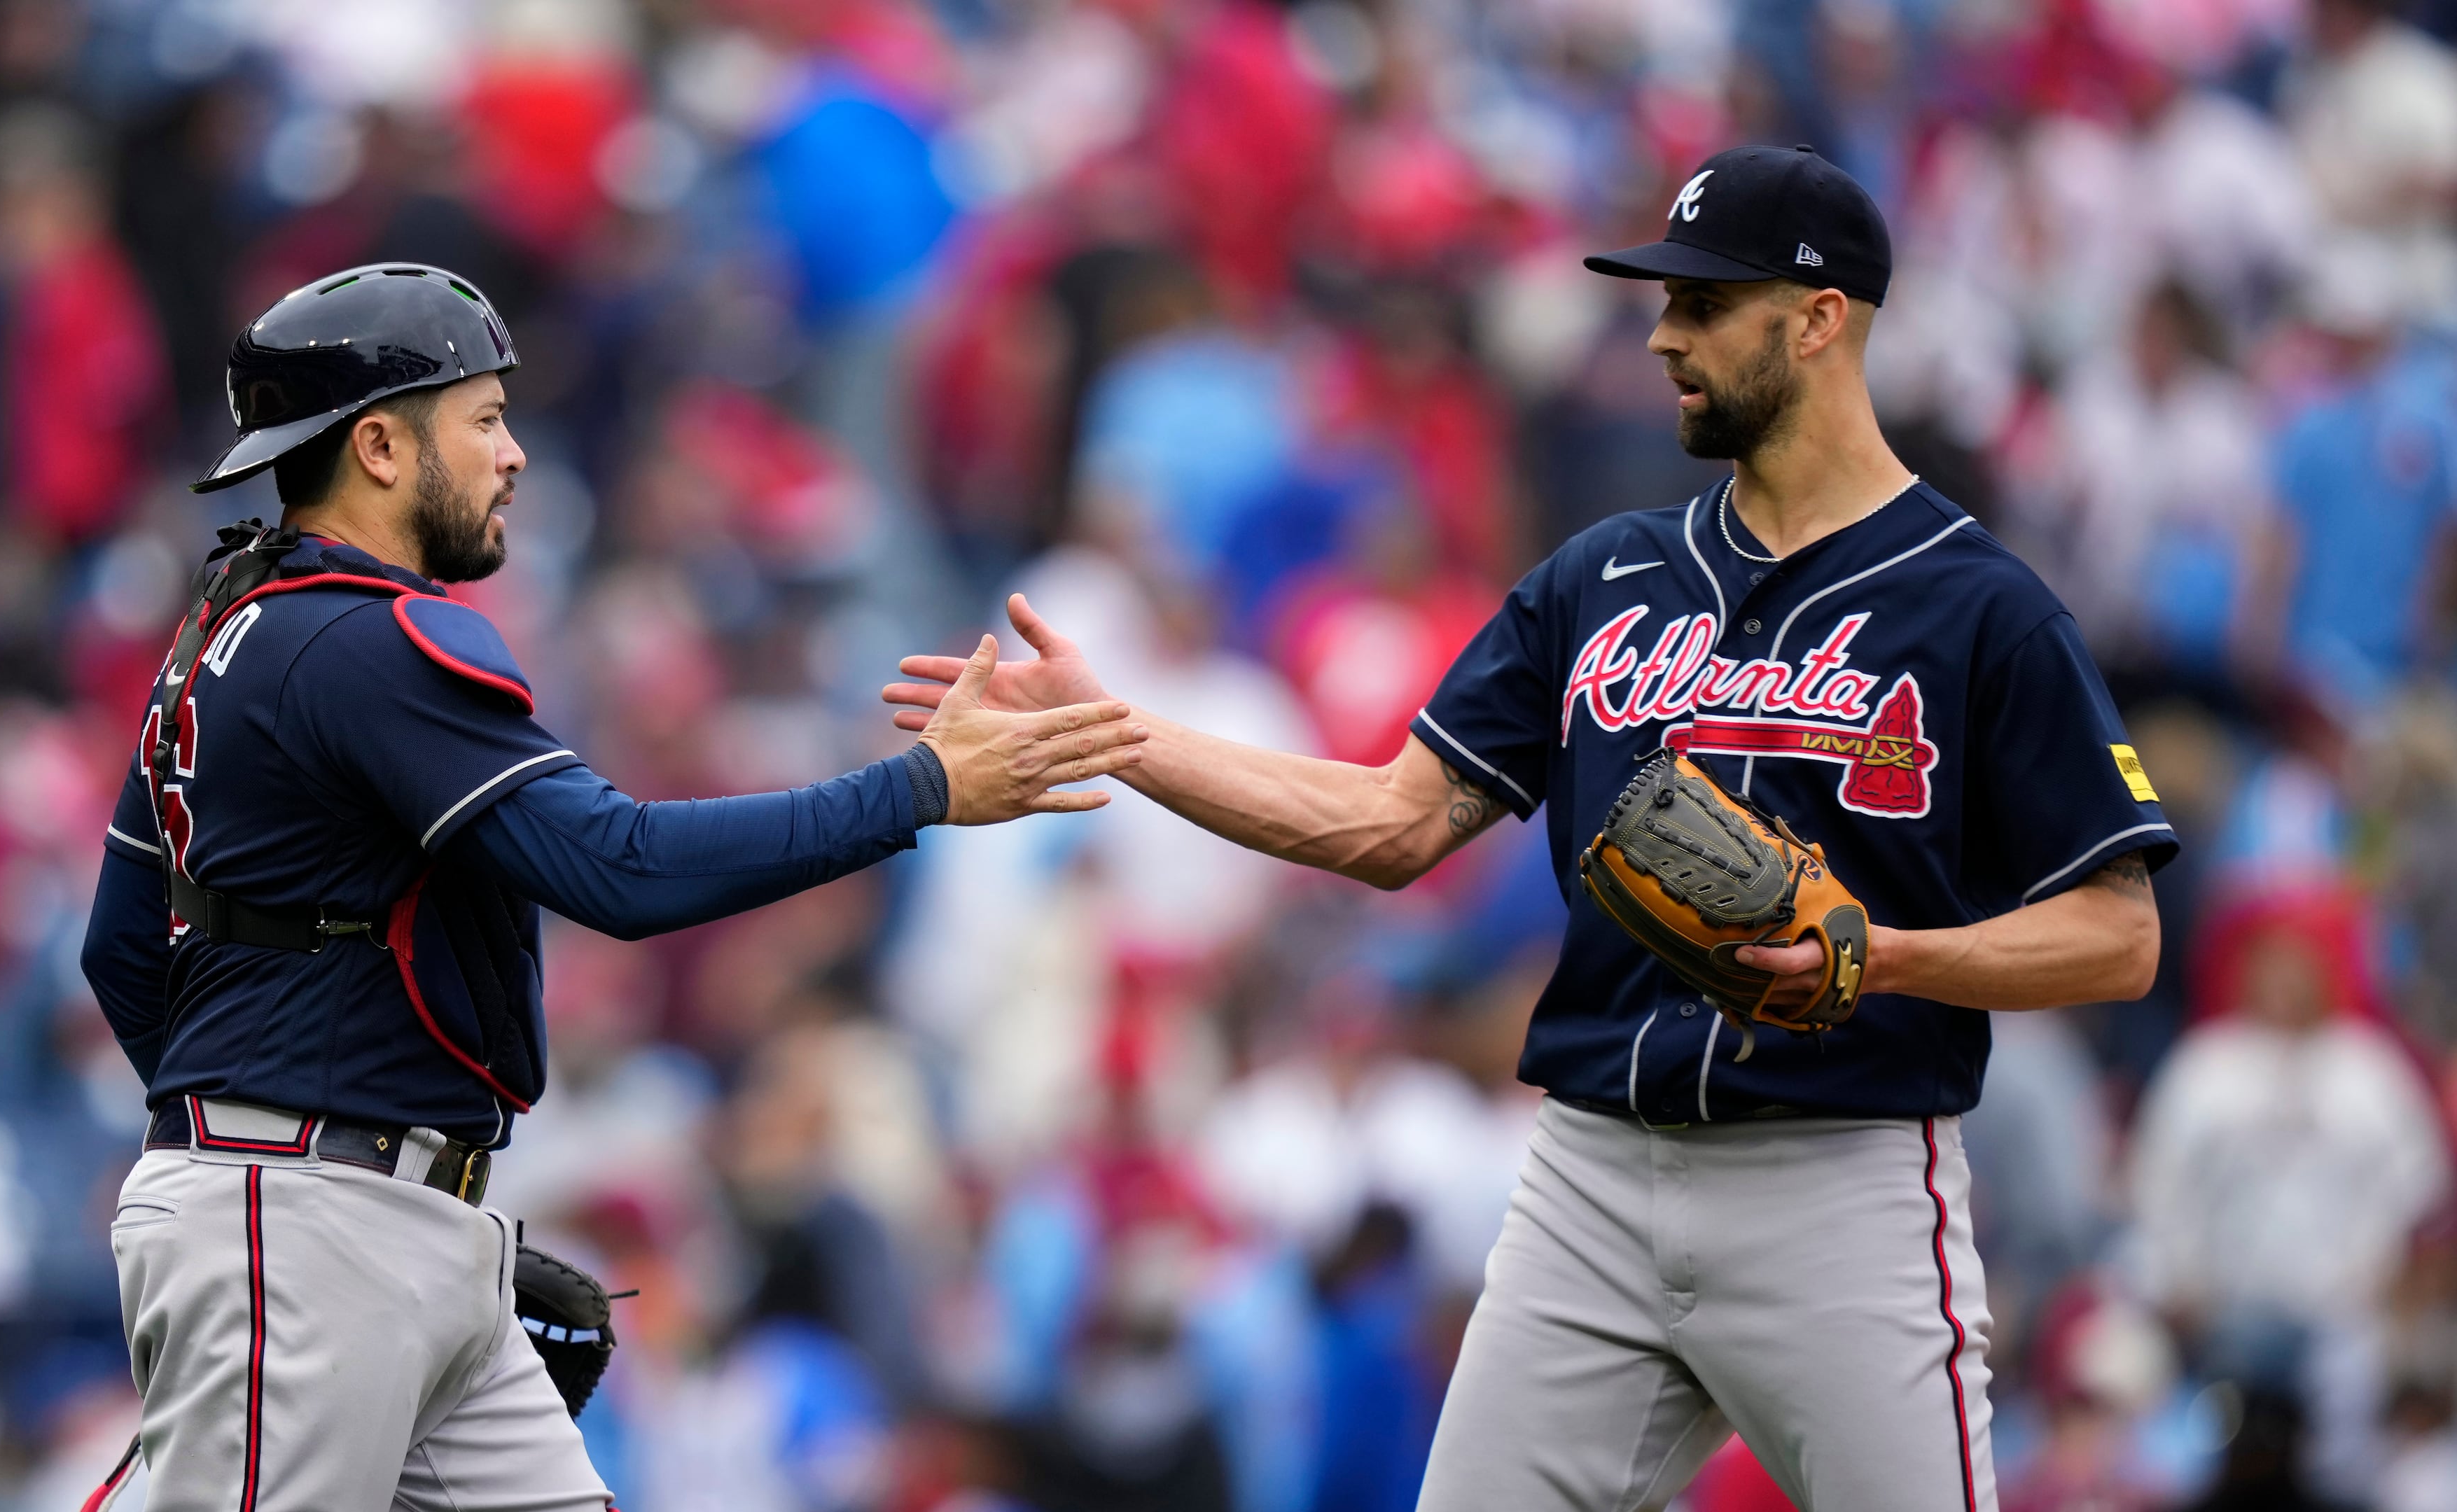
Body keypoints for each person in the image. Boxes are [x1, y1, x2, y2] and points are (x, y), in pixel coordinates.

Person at [886, 146, 2173, 1510]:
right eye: (1660, 301)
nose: (1664, 335)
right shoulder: (1605, 577)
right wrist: (1119, 732)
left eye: (1704, 303)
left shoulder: (1979, 607)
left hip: (1836, 1179)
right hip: (1592, 1178)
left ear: (1820, 318)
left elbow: (2121, 935)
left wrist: (1893, 956)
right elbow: (1388, 824)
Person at [76, 262, 1149, 1511]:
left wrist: (354, 1163)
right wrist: (919, 788)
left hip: (359, 1213)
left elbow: (123, 952)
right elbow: (616, 868)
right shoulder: (364, 636)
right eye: (481, 418)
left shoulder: (224, 631)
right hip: (307, 1224)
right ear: (377, 445)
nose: (514, 454)